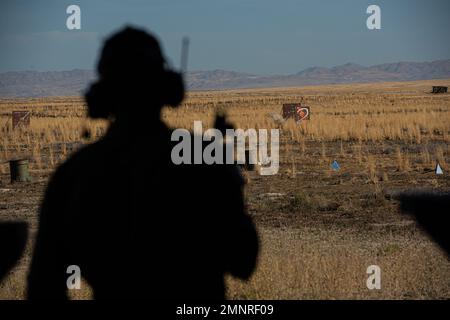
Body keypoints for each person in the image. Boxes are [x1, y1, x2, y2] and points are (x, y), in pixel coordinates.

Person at [27, 26, 259, 299]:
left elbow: (44, 285)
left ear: (102, 95)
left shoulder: (74, 173)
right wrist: (226, 172)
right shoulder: (202, 160)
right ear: (167, 88)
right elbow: (243, 261)